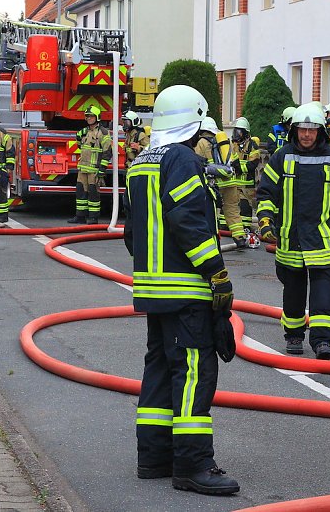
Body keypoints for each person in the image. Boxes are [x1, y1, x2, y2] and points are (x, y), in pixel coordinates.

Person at [124, 85, 239, 496]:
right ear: (195, 122)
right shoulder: (183, 159)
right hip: (187, 288)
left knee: (159, 367)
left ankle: (153, 457)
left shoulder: (142, 161)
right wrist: (217, 274)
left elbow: (133, 235)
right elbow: (189, 221)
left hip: (153, 289)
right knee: (193, 371)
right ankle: (192, 465)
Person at [257, 102, 330, 360]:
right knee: (293, 292)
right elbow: (266, 193)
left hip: (324, 238)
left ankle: (322, 341)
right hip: (291, 238)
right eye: (302, 129)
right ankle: (293, 335)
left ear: (321, 132)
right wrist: (264, 219)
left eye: (312, 130)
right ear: (294, 130)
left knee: (324, 293)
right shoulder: (281, 156)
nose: (306, 135)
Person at [194, 118, 244, 247]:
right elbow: (236, 162)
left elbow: (196, 162)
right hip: (230, 181)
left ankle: (212, 239)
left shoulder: (201, 143)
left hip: (213, 183)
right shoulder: (226, 142)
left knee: (210, 211)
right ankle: (240, 237)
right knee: (232, 209)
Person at [68, 106, 111, 224]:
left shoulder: (103, 133)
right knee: (81, 191)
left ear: (97, 117)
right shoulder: (85, 131)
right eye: (87, 116)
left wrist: (102, 169)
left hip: (94, 170)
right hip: (83, 169)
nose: (88, 118)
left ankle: (93, 217)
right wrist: (78, 136)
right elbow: (80, 146)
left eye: (91, 116)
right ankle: (80, 216)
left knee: (93, 194)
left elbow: (107, 152)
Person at [230, 117, 260, 234]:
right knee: (229, 207)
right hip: (233, 183)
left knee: (245, 208)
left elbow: (254, 163)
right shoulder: (233, 145)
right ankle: (226, 226)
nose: (236, 135)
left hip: (247, 186)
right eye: (235, 131)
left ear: (245, 133)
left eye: (239, 132)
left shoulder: (252, 146)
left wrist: (240, 167)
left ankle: (246, 228)